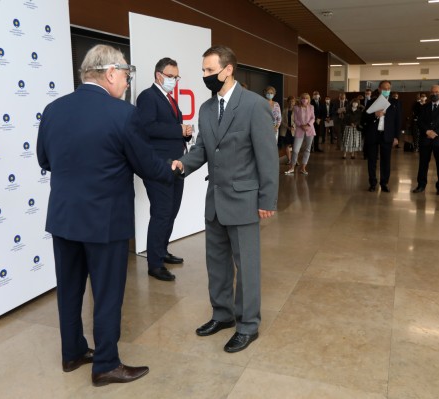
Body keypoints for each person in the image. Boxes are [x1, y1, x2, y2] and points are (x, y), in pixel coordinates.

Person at [36, 44, 178, 387]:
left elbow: (44, 160)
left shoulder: (53, 110)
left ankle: (72, 353)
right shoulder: (122, 114)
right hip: (105, 222)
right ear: (110, 73)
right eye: (126, 75)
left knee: (69, 290)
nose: (128, 83)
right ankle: (106, 364)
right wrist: (172, 168)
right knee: (107, 294)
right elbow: (146, 164)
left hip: (64, 218)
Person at [176, 45, 278, 353]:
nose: (205, 76)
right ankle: (222, 315)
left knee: (245, 266)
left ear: (228, 69)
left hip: (245, 200)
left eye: (210, 70)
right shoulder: (207, 109)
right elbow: (202, 150)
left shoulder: (254, 105)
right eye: (203, 71)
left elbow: (267, 157)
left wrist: (267, 200)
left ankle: (248, 325)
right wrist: (182, 164)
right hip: (215, 200)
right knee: (216, 263)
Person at [136, 57, 192, 282]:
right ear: (159, 75)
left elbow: (169, 127)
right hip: (159, 165)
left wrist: (184, 133)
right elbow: (147, 127)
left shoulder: (168, 98)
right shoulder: (147, 97)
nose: (174, 81)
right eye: (171, 76)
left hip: (177, 164)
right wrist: (178, 130)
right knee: (161, 213)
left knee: (172, 210)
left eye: (176, 77)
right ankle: (155, 264)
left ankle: (162, 250)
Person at [412, 85, 439, 196]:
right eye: (432, 92)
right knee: (423, 164)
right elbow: (419, 121)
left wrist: (435, 133)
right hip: (425, 140)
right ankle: (421, 185)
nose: (434, 94)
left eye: (437, 92)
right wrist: (427, 131)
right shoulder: (424, 106)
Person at [361, 80, 400, 193]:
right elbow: (364, 119)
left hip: (387, 135)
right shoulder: (371, 102)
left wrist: (396, 137)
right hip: (373, 135)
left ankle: (384, 183)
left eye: (388, 89)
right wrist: (374, 115)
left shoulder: (395, 103)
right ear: (379, 89)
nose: (386, 91)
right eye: (384, 88)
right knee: (372, 160)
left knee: (386, 161)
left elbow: (398, 121)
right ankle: (372, 183)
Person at [285, 93, 315, 175]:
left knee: (307, 149)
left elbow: (313, 118)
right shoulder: (296, 108)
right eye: (303, 98)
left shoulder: (311, 107)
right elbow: (295, 119)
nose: (305, 99)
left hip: (310, 130)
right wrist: (301, 125)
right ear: (300, 99)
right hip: (299, 130)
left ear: (308, 99)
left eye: (306, 98)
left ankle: (303, 168)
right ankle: (292, 167)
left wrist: (308, 125)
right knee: (295, 150)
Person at [279, 95, 296, 164]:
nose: (291, 103)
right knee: (286, 145)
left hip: (293, 130)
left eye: (293, 101)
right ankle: (289, 160)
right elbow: (281, 120)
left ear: (295, 102)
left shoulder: (296, 110)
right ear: (288, 102)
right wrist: (287, 127)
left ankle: (294, 160)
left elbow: (298, 120)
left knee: (295, 146)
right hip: (285, 130)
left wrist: (293, 126)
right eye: (290, 101)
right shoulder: (284, 110)